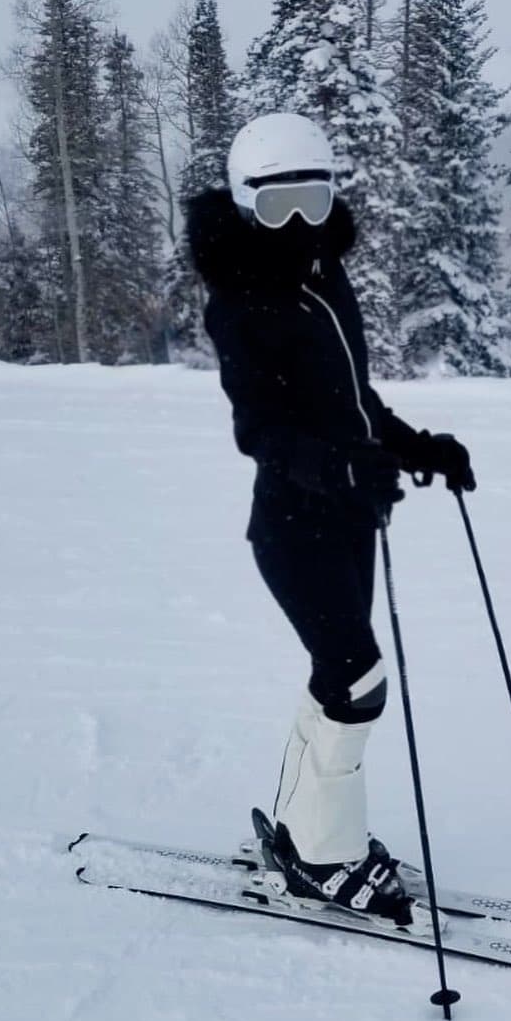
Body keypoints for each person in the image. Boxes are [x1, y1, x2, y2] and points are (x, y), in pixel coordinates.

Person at [186, 112, 475, 927]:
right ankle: (320, 858)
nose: (301, 223)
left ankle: (304, 829)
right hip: (293, 522)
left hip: (352, 515)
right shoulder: (242, 302)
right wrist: (338, 465)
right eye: (279, 207)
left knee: (338, 678)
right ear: (247, 206)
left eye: (314, 198)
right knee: (357, 682)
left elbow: (350, 403)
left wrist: (417, 446)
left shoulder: (321, 276)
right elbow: (261, 430)